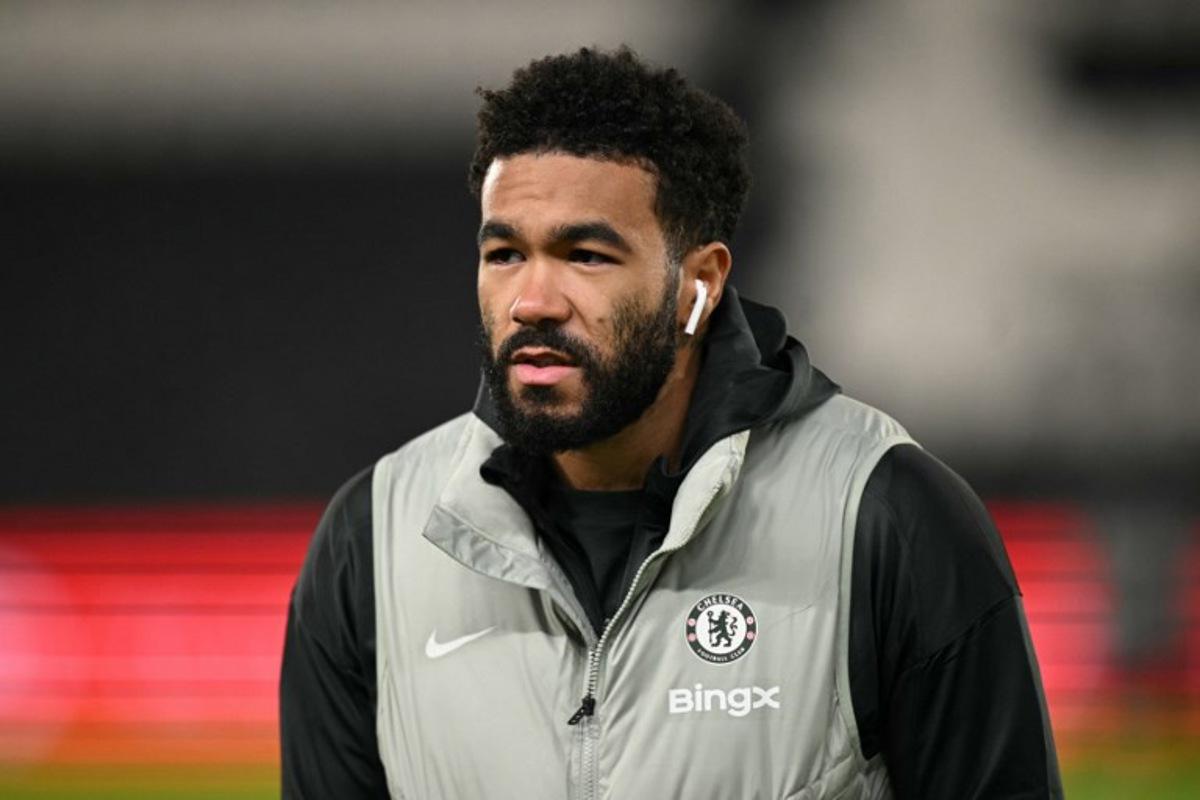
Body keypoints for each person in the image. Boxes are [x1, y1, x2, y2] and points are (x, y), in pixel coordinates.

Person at [280, 47, 1062, 799]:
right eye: (504, 253)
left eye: (586, 255)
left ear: (700, 284)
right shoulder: (372, 540)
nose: (533, 300)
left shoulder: (889, 519)